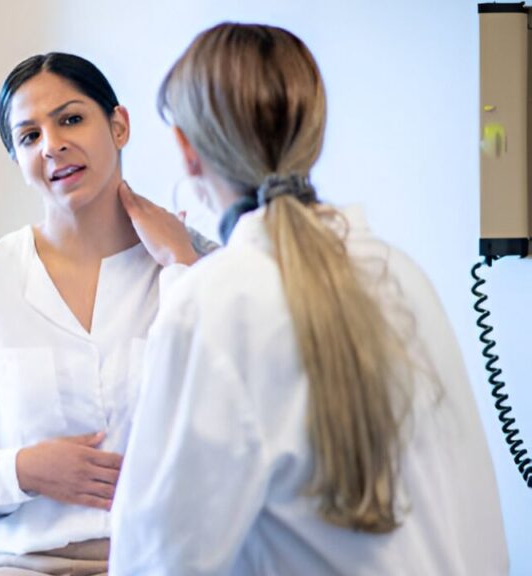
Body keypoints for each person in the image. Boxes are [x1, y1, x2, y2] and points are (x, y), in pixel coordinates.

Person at [110, 22, 508, 575]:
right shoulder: (399, 273)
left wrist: (185, 278)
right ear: (312, 133)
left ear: (187, 152)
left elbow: (156, 561)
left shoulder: (215, 304)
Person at [0, 52, 212, 576]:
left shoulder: (199, 266)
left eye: (71, 119)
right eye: (28, 137)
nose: (52, 145)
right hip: (17, 565)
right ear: (18, 161)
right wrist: (21, 471)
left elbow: (252, 425)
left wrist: (184, 266)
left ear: (118, 125)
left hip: (166, 563)